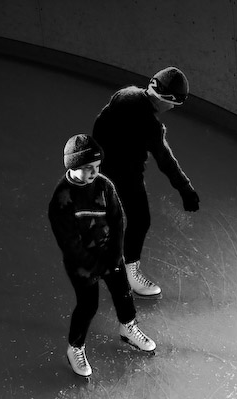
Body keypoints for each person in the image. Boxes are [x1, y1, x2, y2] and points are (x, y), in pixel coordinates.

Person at [48, 134, 156, 378]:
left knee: (123, 293)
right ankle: (75, 347)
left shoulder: (105, 186)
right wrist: (94, 265)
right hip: (82, 264)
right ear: (72, 166)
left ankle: (128, 328)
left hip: (109, 255)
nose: (94, 173)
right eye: (87, 169)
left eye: (97, 167)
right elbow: (69, 243)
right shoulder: (61, 200)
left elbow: (118, 221)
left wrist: (115, 255)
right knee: (88, 305)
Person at [92, 66, 200, 299]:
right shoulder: (152, 127)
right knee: (140, 220)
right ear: (165, 99)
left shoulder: (124, 94)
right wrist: (186, 189)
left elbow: (100, 123)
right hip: (128, 175)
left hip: (102, 169)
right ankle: (130, 275)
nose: (172, 109)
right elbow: (165, 161)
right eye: (173, 104)